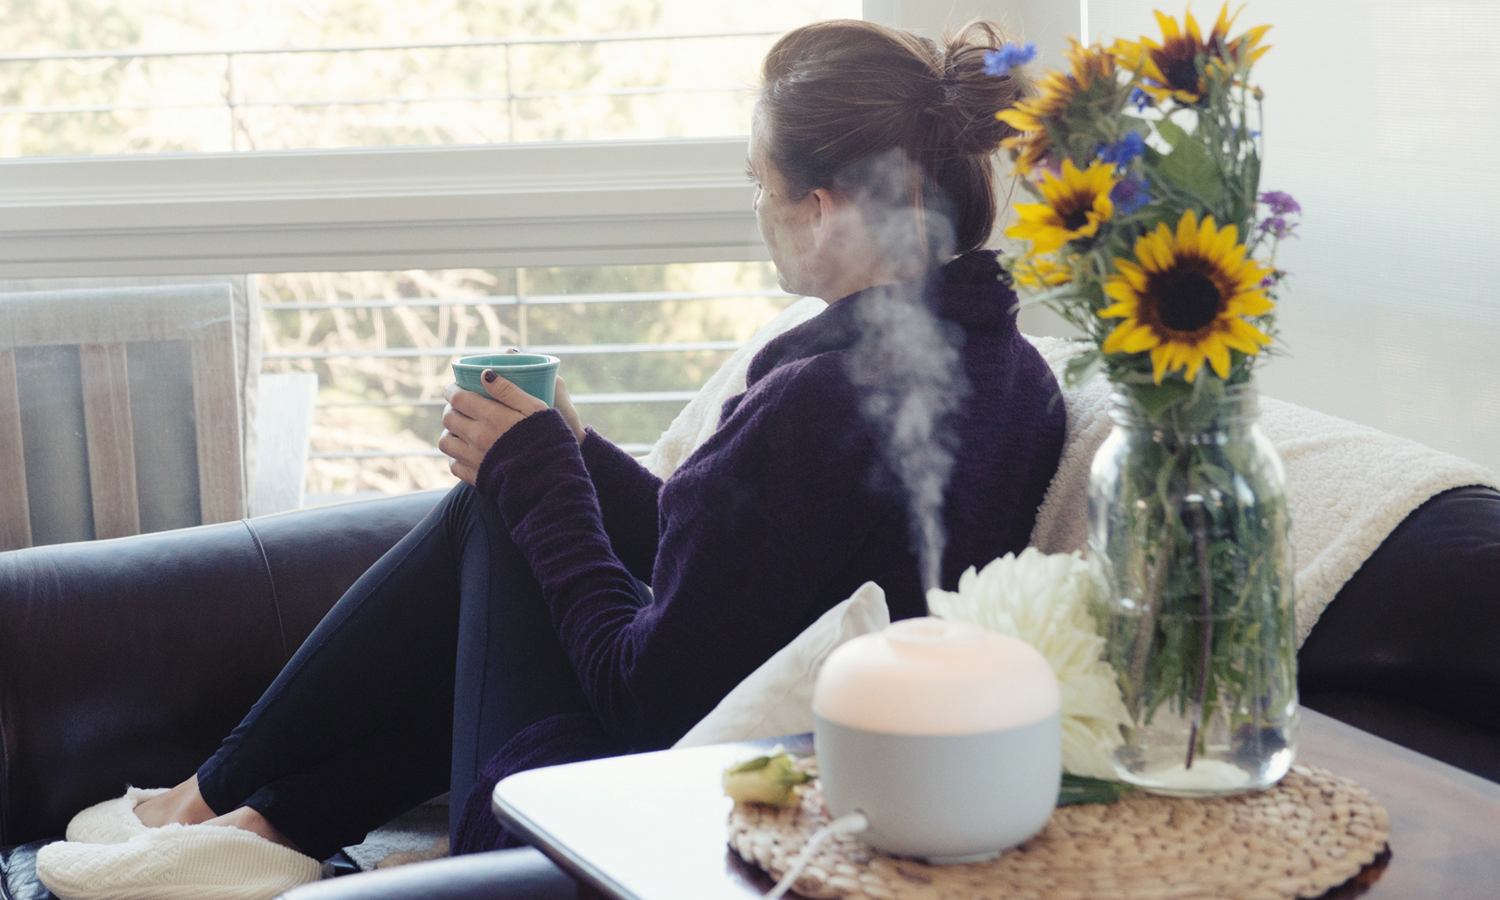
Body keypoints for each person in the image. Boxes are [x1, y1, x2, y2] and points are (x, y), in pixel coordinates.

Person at [38, 16, 1067, 894]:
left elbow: (644, 694)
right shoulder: (1008, 372)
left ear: (828, 207)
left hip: (610, 819)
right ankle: (258, 821)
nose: (754, 205)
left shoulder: (820, 401)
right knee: (514, 483)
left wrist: (538, 477)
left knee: (498, 503)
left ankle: (206, 806)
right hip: (780, 760)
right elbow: (745, 574)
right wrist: (572, 453)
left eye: (758, 179)